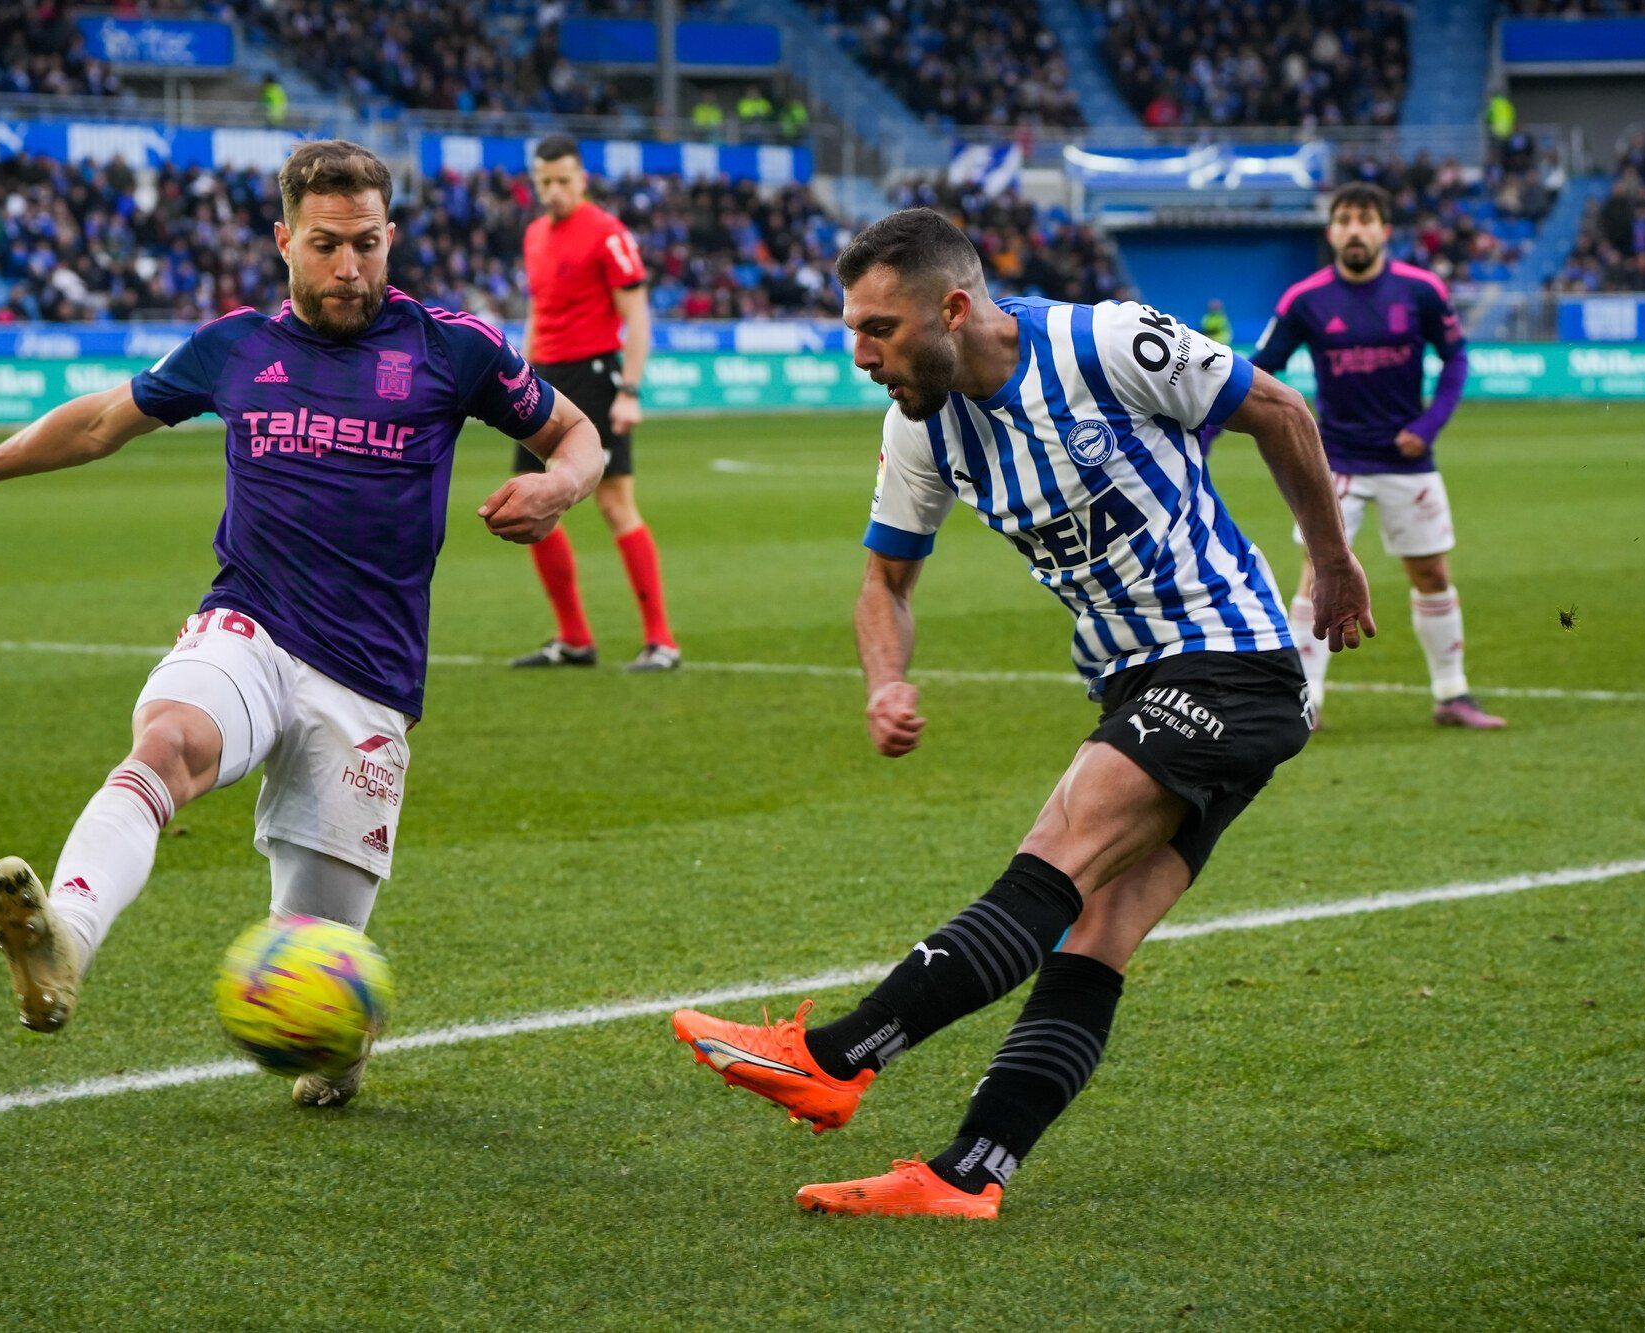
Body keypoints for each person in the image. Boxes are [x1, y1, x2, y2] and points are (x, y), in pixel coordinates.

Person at [670, 208, 1373, 1219]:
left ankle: (832, 1057)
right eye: (850, 329)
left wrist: (1333, 564)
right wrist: (884, 680)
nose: (858, 354)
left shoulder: (1102, 343)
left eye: (877, 329)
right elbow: (886, 585)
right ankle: (967, 1177)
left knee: (1060, 845)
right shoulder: (920, 425)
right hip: (1132, 680)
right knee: (1095, 931)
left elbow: (1279, 410)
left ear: (951, 307)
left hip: (1229, 660)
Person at [0, 140, 603, 1108]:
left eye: (367, 243)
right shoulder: (236, 345)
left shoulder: (452, 347)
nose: (350, 266)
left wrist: (561, 483)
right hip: (249, 625)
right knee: (169, 743)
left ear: (391, 235)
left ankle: (338, 1046)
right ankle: (63, 936)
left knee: (320, 1009)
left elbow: (577, 430)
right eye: (325, 245)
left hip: (366, 677)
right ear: (284, 239)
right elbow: (101, 421)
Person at [1244, 181, 1502, 729]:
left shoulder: (1422, 290)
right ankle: (1303, 703)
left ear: (1385, 230)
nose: (1354, 229)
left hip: (1409, 463)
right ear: (1331, 232)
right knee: (1317, 574)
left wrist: (1429, 425)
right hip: (1333, 464)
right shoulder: (1304, 299)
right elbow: (1263, 367)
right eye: (1343, 219)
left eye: (1365, 218)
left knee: (1431, 573)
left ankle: (1452, 695)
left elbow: (1456, 360)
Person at [510, 135, 679, 672]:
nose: (554, 191)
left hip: (596, 378)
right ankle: (575, 639)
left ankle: (661, 642)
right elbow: (539, 310)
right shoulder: (535, 235)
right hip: (543, 384)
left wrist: (629, 391)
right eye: (544, 183)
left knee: (613, 505)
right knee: (534, 508)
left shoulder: (608, 234)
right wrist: (521, 376)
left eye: (563, 180)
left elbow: (638, 317)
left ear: (582, 179)